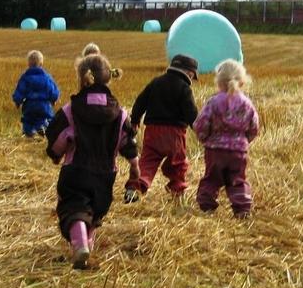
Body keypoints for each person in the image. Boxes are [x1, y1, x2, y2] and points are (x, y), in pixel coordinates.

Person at [45, 53, 140, 269]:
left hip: (76, 170)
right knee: (95, 212)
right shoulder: (120, 114)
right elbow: (128, 142)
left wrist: (55, 154)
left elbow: (59, 139)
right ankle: (87, 244)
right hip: (106, 174)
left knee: (74, 207)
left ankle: (80, 247)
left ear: (82, 78)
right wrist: (134, 165)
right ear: (109, 78)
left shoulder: (71, 110)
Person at [124, 54, 198, 204]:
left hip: (152, 131)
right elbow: (191, 113)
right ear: (190, 73)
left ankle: (135, 189)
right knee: (178, 163)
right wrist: (199, 129)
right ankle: (177, 192)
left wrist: (135, 120)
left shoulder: (156, 82)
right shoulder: (184, 88)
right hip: (175, 134)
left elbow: (140, 101)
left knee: (147, 162)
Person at [193, 59, 259, 218]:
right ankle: (242, 209)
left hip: (215, 151)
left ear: (219, 82)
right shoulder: (247, 104)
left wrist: (204, 138)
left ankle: (206, 206)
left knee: (211, 179)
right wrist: (244, 141)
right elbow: (254, 126)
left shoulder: (214, 102)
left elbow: (201, 124)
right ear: (242, 82)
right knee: (237, 180)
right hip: (238, 152)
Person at [12, 50, 60, 137]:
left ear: (28, 64)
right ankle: (42, 127)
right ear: (41, 64)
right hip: (44, 105)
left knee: (28, 120)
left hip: (29, 105)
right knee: (44, 117)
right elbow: (53, 91)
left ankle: (28, 131)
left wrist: (17, 101)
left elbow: (20, 90)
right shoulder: (47, 77)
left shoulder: (25, 77)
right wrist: (54, 99)